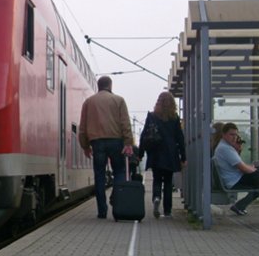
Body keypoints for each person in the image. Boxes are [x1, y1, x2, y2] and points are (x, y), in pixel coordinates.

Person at [79, 76, 135, 219]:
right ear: (110, 86)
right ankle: (117, 204)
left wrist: (85, 146)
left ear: (98, 86)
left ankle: (102, 211)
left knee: (99, 176)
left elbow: (83, 128)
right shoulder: (119, 100)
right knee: (119, 172)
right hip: (116, 141)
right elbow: (125, 124)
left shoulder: (88, 102)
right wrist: (128, 142)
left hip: (97, 143)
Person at [138, 91, 186, 219]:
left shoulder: (152, 116)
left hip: (155, 152)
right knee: (169, 182)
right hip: (170, 153)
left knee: (157, 178)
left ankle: (156, 197)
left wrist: (140, 154)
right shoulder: (175, 118)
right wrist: (183, 156)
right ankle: (168, 211)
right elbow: (180, 138)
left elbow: (144, 136)